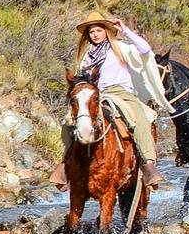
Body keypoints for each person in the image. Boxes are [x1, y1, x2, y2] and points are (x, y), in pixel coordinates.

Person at [69, 13, 164, 187]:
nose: (95, 35)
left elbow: (144, 50)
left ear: (106, 31)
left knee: (140, 119)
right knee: (69, 121)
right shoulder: (87, 56)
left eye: (99, 30)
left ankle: (149, 163)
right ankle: (65, 164)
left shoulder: (119, 47)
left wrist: (126, 31)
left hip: (120, 93)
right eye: (91, 32)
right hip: (95, 94)